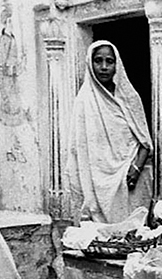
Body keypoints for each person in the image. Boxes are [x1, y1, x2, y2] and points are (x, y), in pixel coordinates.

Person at [66, 40, 153, 223]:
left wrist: (136, 168)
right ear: (90, 63)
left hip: (131, 179)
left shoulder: (129, 97)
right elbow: (79, 150)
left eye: (109, 61)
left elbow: (145, 142)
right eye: (98, 61)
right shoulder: (84, 101)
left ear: (117, 64)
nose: (104, 67)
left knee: (133, 234)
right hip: (96, 182)